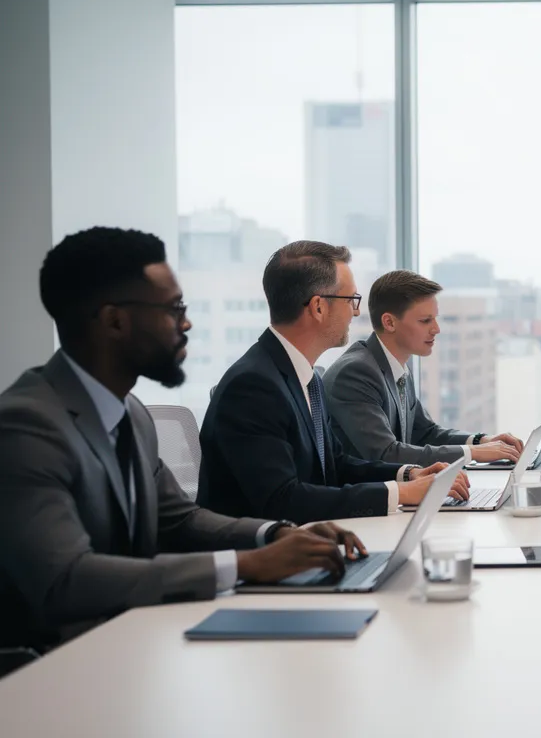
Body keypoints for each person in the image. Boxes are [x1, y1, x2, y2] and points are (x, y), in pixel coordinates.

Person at [0, 227, 366, 651]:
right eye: (173, 308)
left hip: (133, 643)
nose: (186, 322)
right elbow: (66, 579)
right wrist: (247, 564)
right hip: (52, 670)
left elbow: (182, 519)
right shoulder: (26, 426)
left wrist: (275, 535)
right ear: (115, 320)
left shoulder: (130, 413)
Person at [198, 241, 468, 524]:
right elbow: (283, 500)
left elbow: (335, 465)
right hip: (262, 558)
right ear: (318, 307)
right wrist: (400, 493)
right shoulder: (253, 387)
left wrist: (408, 474)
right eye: (351, 300)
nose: (355, 312)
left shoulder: (307, 377)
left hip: (309, 541)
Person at [325, 270, 524, 467]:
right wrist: (472, 453)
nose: (436, 329)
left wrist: (481, 441)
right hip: (367, 496)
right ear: (389, 322)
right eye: (425, 321)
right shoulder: (356, 373)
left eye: (435, 318)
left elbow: (426, 433)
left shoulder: (396, 366)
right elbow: (386, 453)